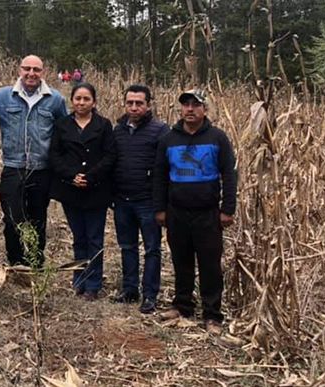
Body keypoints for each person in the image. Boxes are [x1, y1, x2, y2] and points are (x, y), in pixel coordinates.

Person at [0, 55, 67, 267]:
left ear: (42, 72)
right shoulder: (4, 97)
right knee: (11, 219)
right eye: (27, 69)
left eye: (36, 69)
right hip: (13, 168)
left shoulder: (55, 99)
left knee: (38, 219)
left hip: (41, 170)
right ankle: (16, 262)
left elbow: (65, 131)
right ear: (19, 70)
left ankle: (36, 262)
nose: (31, 73)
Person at [153, 89, 237, 334]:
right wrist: (160, 208)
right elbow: (159, 176)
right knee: (182, 261)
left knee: (210, 264)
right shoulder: (169, 139)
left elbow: (229, 175)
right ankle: (183, 306)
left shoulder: (217, 138)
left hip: (207, 214)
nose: (190, 109)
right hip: (177, 212)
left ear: (205, 109)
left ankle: (212, 314)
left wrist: (227, 209)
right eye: (185, 105)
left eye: (195, 105)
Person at [49, 83, 114, 300]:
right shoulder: (62, 125)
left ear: (94, 102)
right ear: (72, 101)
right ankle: (79, 280)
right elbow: (55, 156)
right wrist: (72, 176)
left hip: (96, 190)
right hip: (71, 190)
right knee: (79, 237)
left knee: (94, 238)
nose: (81, 102)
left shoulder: (104, 125)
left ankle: (94, 284)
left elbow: (109, 156)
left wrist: (90, 176)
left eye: (86, 99)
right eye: (78, 98)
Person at [112, 84, 170, 314]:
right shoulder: (118, 130)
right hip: (123, 200)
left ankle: (150, 295)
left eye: (139, 103)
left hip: (148, 201)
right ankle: (129, 289)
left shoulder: (160, 131)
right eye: (130, 103)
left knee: (152, 248)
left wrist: (161, 203)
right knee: (127, 246)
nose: (134, 107)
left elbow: (164, 169)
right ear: (124, 104)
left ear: (148, 105)